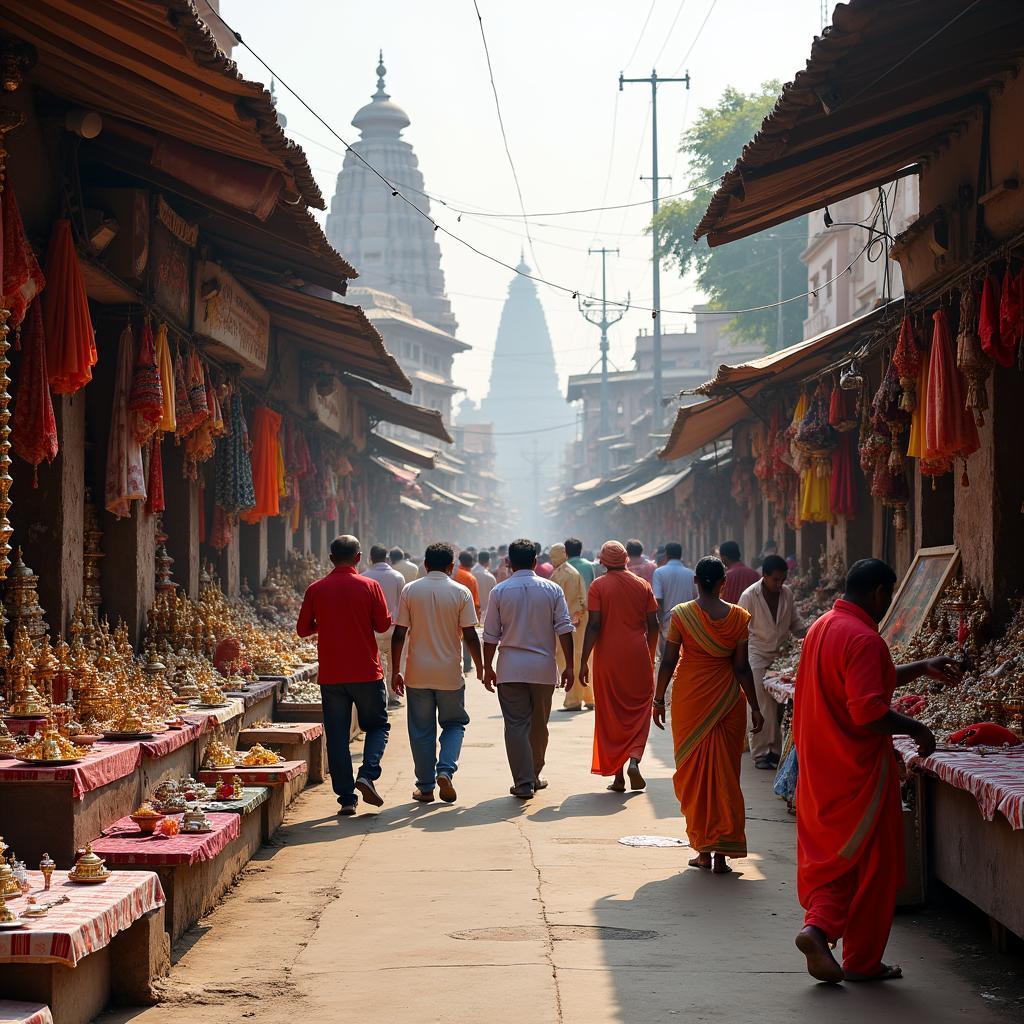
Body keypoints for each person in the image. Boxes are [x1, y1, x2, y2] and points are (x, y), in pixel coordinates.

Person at [793, 558, 960, 984]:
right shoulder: (864, 639)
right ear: (881, 593)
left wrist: (921, 667)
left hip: (822, 769)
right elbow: (868, 711)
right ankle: (862, 961)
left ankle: (818, 929)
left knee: (840, 860)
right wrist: (917, 728)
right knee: (872, 868)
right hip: (859, 771)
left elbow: (860, 683)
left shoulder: (823, 627)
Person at [654, 556, 763, 874]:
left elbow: (669, 660)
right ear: (723, 583)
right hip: (729, 701)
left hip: (691, 702)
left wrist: (658, 698)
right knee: (726, 776)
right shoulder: (740, 617)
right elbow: (741, 667)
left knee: (695, 776)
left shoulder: (682, 615)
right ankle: (721, 854)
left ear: (696, 581)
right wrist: (755, 706)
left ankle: (704, 849)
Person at [297, 535, 392, 815]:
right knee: (376, 726)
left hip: (332, 674)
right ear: (358, 558)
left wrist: (324, 624)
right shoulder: (370, 586)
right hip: (366, 671)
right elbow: (383, 624)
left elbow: (303, 629)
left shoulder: (316, 589)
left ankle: (347, 799)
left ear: (330, 559)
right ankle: (367, 774)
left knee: (337, 736)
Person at [482, 538, 575, 799]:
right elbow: (564, 628)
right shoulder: (552, 589)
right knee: (539, 725)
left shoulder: (499, 592)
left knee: (515, 725)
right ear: (535, 561)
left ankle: (523, 782)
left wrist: (487, 667)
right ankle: (534, 774)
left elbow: (490, 635)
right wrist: (569, 666)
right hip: (543, 669)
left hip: (510, 668)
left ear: (509, 563)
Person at [391, 543, 481, 805]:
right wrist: (483, 668)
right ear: (451, 567)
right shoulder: (461, 592)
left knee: (421, 730)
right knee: (454, 724)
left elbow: (399, 634)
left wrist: (396, 670)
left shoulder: (410, 590)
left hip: (417, 672)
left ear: (426, 565)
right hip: (449, 674)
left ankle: (426, 787)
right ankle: (445, 769)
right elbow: (471, 636)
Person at [579, 540, 660, 792]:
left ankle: (618, 777)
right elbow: (654, 624)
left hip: (609, 657)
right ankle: (634, 758)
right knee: (638, 709)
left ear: (602, 562)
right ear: (626, 560)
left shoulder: (598, 586)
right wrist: (650, 652)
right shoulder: (642, 584)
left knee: (610, 713)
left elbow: (594, 625)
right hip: (637, 654)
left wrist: (583, 661)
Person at [737, 554, 804, 770]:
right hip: (756, 655)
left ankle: (775, 751)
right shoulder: (749, 596)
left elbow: (795, 624)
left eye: (782, 579)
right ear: (764, 576)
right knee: (759, 704)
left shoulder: (787, 594)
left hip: (781, 657)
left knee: (778, 707)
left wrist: (812, 632)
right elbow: (739, 629)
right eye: (775, 580)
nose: (779, 584)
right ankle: (760, 753)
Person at [548, 544, 593, 712]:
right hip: (574, 621)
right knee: (582, 658)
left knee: (571, 659)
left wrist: (568, 623)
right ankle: (589, 698)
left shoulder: (565, 574)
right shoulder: (565, 571)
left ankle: (574, 700)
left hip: (571, 623)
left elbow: (574, 601)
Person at [363, 544, 407, 709]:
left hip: (371, 628)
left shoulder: (364, 576)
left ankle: (378, 696)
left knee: (375, 663)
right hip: (394, 626)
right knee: (394, 663)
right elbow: (403, 604)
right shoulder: (397, 577)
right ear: (387, 558)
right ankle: (393, 695)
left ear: (370, 558)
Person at [651, 543, 696, 658]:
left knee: (667, 659)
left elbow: (658, 600)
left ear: (666, 555)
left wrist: (659, 623)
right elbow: (696, 598)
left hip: (668, 623)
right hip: (688, 622)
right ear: (681, 555)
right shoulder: (691, 574)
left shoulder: (659, 573)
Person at [472, 548, 498, 616]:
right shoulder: (490, 577)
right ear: (489, 561)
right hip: (487, 614)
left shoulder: (470, 573)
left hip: (472, 613)